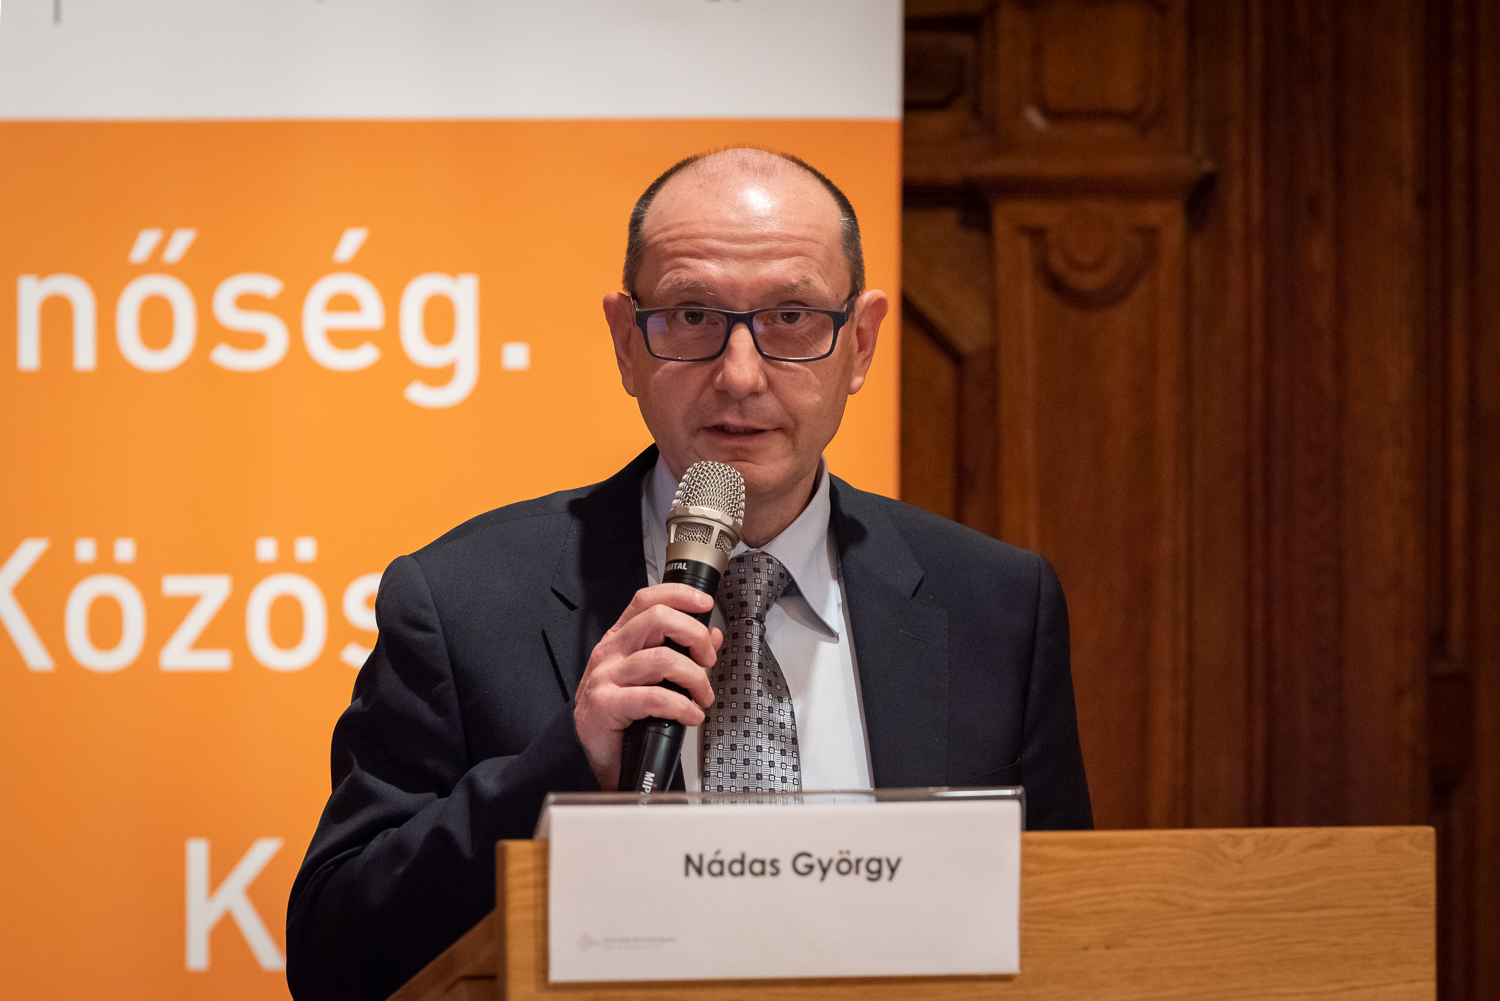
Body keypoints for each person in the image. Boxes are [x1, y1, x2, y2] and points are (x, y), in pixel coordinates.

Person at [286, 149, 1091, 1001]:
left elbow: (1075, 930)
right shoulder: (461, 603)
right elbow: (335, 958)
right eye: (693, 315)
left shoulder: (998, 609)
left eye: (791, 316)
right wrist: (564, 767)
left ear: (859, 343)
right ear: (627, 342)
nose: (740, 374)